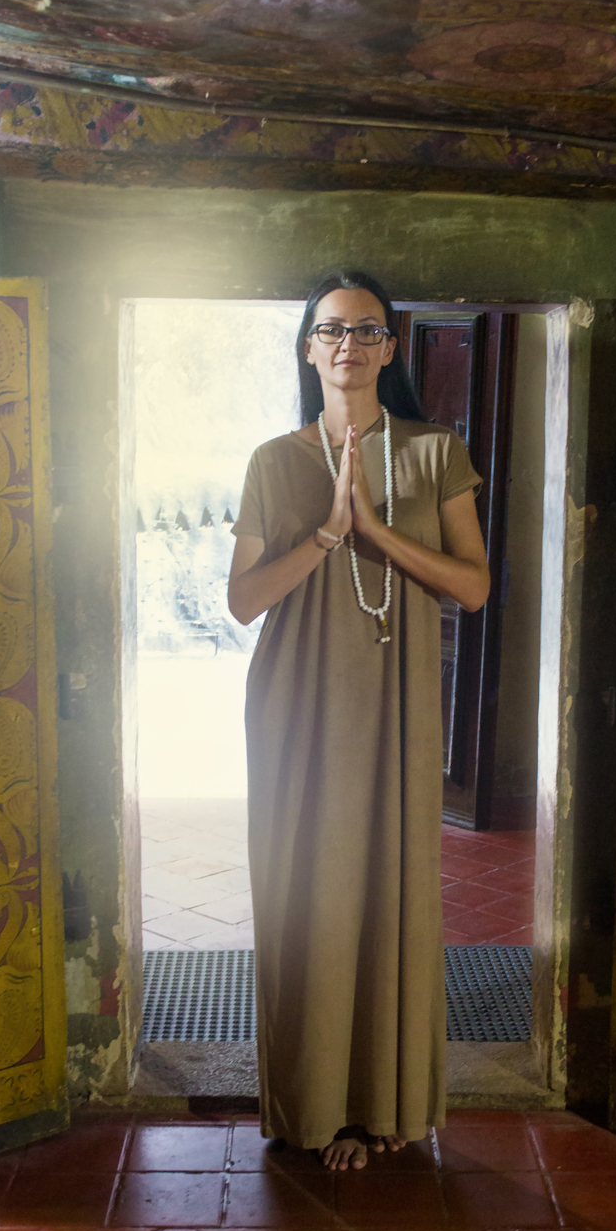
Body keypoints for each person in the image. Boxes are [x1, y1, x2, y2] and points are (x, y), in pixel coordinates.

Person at [227, 271, 490, 1171]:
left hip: (395, 702)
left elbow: (474, 586)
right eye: (332, 330)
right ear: (309, 347)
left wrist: (379, 532)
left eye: (367, 330)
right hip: (297, 702)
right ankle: (315, 1107)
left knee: (389, 886)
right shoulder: (274, 461)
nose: (349, 344)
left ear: (390, 348)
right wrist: (330, 533)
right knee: (306, 891)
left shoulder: (434, 451)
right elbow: (243, 602)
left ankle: (383, 1104)